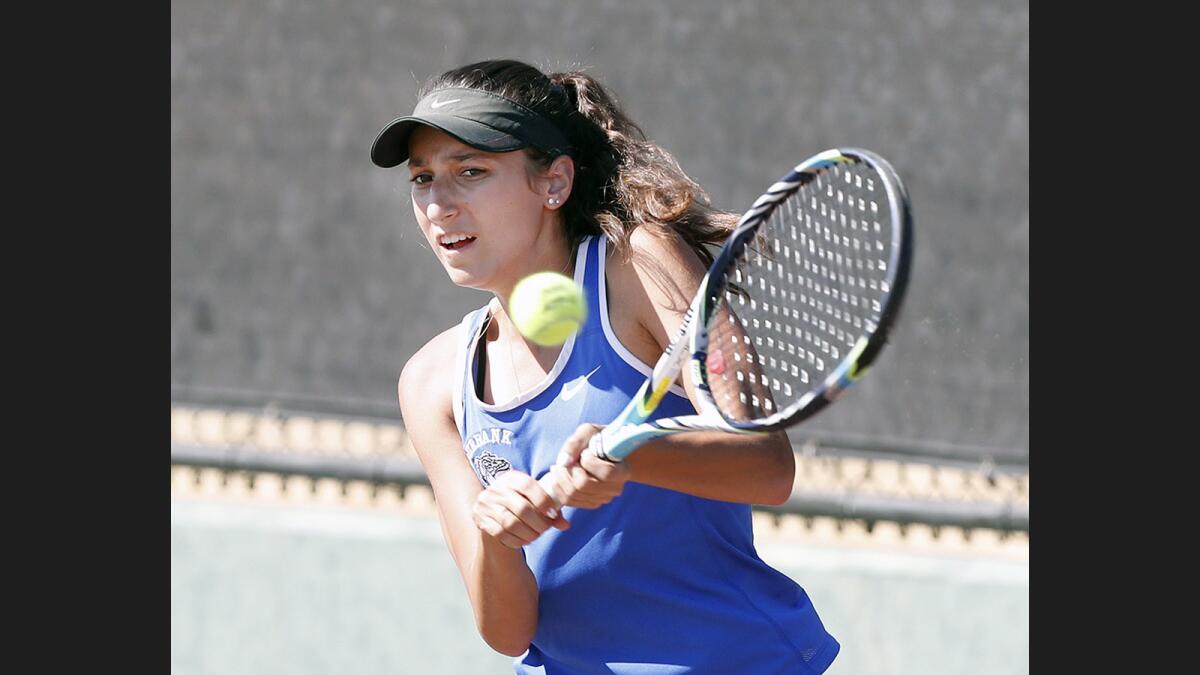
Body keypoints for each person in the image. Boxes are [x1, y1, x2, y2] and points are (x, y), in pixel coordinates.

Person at [372, 58, 839, 674]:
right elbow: (509, 633)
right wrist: (497, 536)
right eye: (423, 178)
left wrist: (632, 453)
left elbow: (768, 466)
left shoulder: (639, 268)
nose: (439, 204)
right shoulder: (430, 382)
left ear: (553, 183)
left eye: (471, 171)